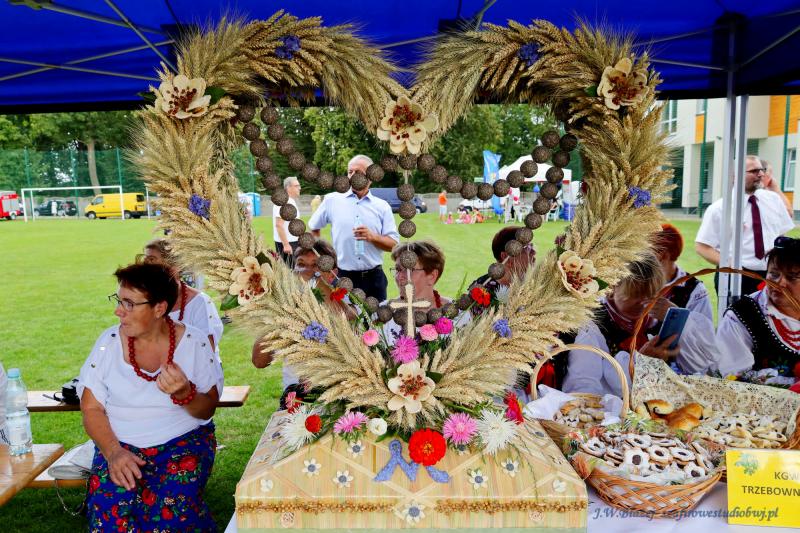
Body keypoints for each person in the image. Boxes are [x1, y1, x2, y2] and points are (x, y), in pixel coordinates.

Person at [78, 262, 221, 531]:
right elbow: (91, 408)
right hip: (119, 446)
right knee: (111, 518)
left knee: (170, 517)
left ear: (159, 308)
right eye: (119, 300)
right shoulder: (108, 343)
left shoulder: (194, 342)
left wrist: (185, 393)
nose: (118, 311)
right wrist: (113, 453)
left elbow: (207, 410)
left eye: (130, 304)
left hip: (181, 444)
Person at [562, 253, 719, 397]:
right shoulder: (593, 325)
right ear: (612, 289)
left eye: (651, 295)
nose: (644, 303)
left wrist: (684, 323)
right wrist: (641, 362)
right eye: (634, 295)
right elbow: (584, 387)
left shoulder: (661, 319)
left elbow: (700, 365)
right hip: (614, 410)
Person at [252, 240, 354, 387]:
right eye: (301, 264)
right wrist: (277, 311)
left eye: (316, 265)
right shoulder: (286, 305)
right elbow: (259, 361)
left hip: (338, 390)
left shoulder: (344, 300)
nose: (307, 271)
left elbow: (348, 318)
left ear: (332, 274)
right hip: (295, 394)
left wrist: (318, 282)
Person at [695, 155, 795, 295]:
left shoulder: (773, 200)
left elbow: (781, 234)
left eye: (762, 170)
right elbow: (702, 247)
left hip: (772, 275)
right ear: (735, 176)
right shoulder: (720, 208)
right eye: (754, 171)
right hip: (736, 276)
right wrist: (730, 264)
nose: (760, 174)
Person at [308, 155, 399, 301]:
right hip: (343, 277)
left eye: (358, 172)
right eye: (350, 172)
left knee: (377, 316)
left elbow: (394, 245)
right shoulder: (332, 200)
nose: (352, 176)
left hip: (374, 279)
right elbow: (314, 226)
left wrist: (373, 237)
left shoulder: (382, 207)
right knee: (343, 316)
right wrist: (323, 254)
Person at [714, 237, 800, 377]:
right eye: (774, 274)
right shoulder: (742, 315)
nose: (780, 283)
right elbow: (732, 375)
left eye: (791, 277)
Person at [382, 241, 452, 345]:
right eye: (398, 269)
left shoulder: (455, 314)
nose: (399, 276)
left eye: (409, 270)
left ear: (432, 276)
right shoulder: (383, 313)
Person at [652, 223, 713, 321]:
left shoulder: (695, 289)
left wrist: (676, 315)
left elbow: (705, 328)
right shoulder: (636, 281)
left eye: (649, 250)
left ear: (663, 255)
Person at [274, 176, 301, 265]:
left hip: (293, 242)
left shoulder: (290, 201)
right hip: (288, 244)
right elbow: (279, 225)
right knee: (291, 271)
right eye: (296, 186)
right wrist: (286, 245)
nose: (299, 188)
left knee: (296, 269)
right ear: (288, 188)